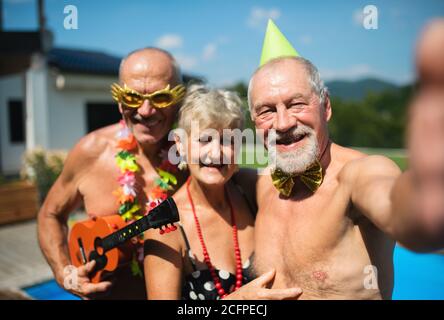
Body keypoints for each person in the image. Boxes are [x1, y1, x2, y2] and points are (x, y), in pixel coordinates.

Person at [226, 20, 443, 300]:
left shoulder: (358, 175)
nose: (282, 123)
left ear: (326, 106)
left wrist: (426, 198)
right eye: (267, 111)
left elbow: (400, 211)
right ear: (254, 122)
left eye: (296, 104)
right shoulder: (256, 183)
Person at [37, 47, 187, 299]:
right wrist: (65, 273)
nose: (145, 110)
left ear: (178, 101)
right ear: (119, 102)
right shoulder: (90, 152)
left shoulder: (196, 159)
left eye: (160, 98)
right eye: (132, 98)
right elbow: (50, 214)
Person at [143, 85, 302, 300]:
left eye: (228, 141)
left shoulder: (250, 188)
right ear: (180, 145)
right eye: (205, 140)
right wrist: (238, 301)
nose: (216, 152)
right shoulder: (165, 227)